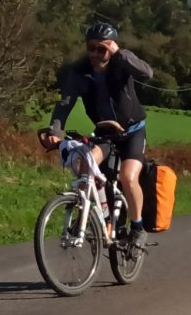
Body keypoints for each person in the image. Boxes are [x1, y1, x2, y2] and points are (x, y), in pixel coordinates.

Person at [41, 22, 154, 248]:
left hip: (132, 132)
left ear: (111, 47)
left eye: (101, 49)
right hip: (106, 133)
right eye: (91, 48)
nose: (95, 53)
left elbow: (147, 73)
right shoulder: (80, 71)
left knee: (128, 177)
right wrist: (55, 130)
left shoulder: (122, 63)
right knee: (86, 166)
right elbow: (65, 103)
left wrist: (119, 54)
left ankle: (138, 228)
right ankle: (93, 218)